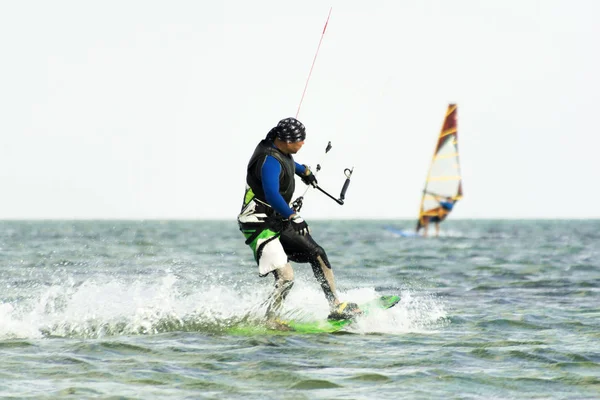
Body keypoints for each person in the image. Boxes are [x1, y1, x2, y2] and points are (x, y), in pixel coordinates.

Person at [237, 117, 361, 325]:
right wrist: (293, 216)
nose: (303, 143)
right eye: (299, 140)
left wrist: (304, 171)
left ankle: (335, 306)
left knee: (317, 254)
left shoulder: (280, 150)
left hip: (277, 218)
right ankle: (271, 320)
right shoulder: (268, 162)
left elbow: (289, 162)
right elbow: (272, 194)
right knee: (286, 276)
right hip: (258, 223)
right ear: (285, 141)